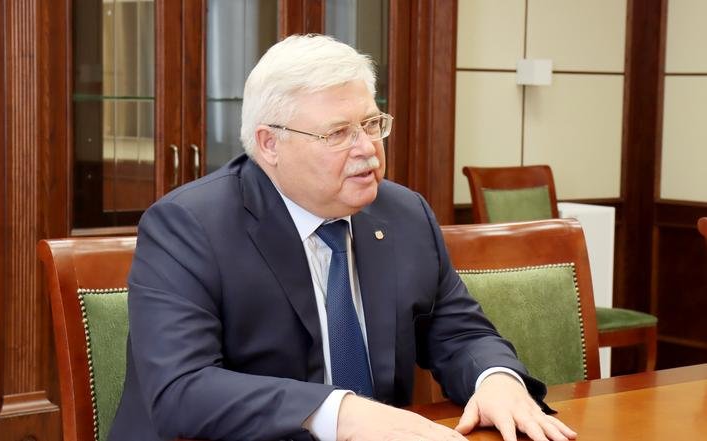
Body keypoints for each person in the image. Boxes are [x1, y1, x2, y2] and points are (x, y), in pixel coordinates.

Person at [109, 34, 576, 441]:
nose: (367, 149)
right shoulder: (189, 227)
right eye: (338, 133)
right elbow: (182, 388)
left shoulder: (404, 214)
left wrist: (495, 378)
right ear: (270, 144)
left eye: (371, 125)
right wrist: (340, 413)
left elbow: (460, 332)